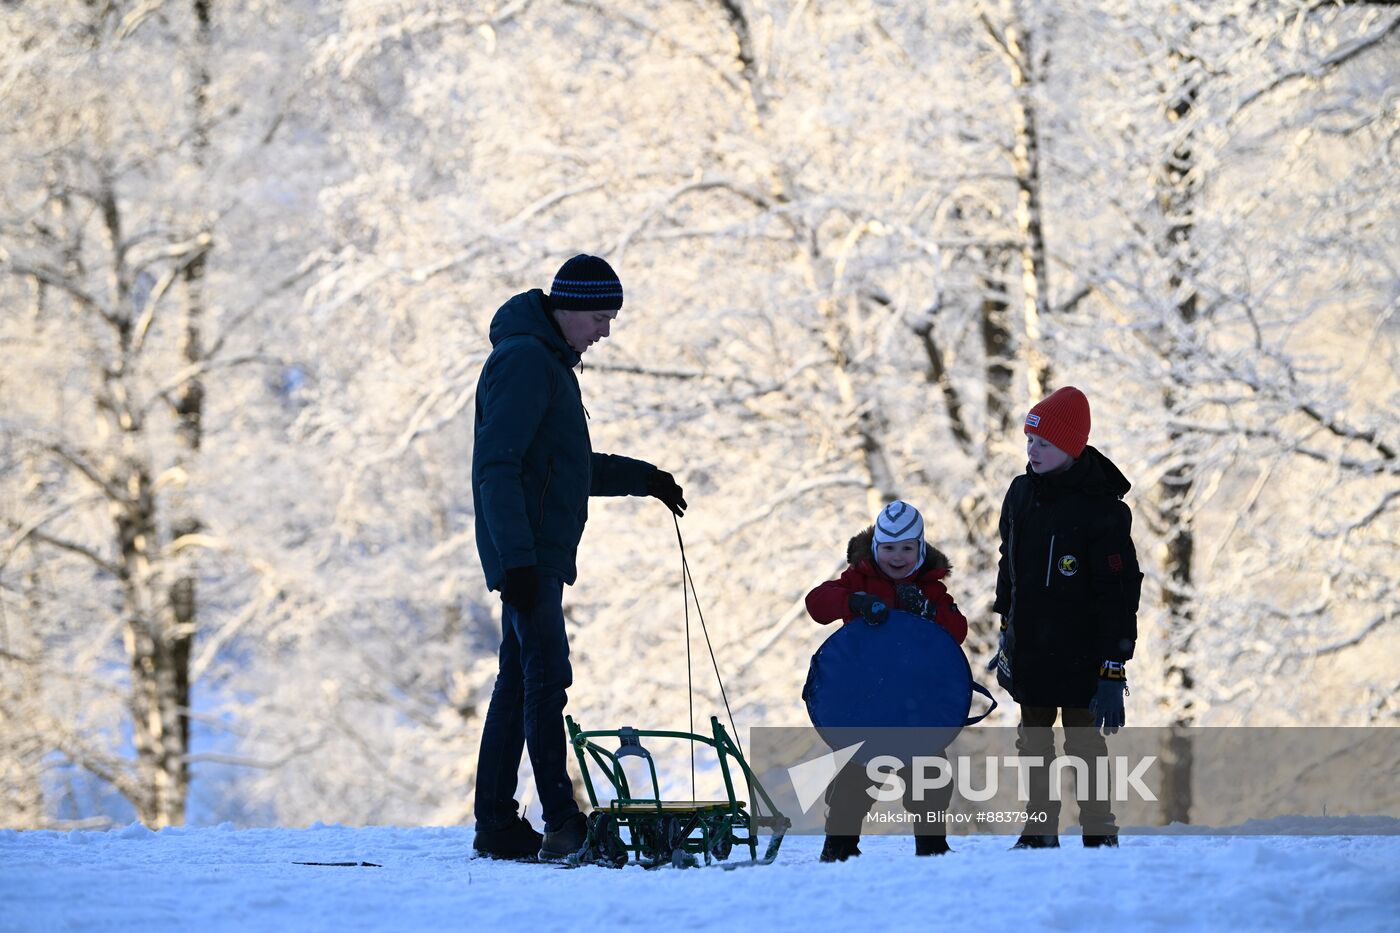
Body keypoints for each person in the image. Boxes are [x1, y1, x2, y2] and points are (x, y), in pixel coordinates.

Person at [470, 254, 687, 862]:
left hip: (535, 552)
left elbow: (561, 472)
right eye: (598, 316)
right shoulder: (524, 361)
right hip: (528, 555)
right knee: (545, 682)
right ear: (565, 309)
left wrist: (645, 478)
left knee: (519, 684)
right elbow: (498, 465)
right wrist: (516, 561)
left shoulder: (549, 363)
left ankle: (497, 823)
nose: (606, 330)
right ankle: (562, 822)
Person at [992, 385, 1142, 849]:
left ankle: (1099, 830)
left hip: (1083, 654)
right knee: (1033, 744)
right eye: (1030, 441)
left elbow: (1119, 592)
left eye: (1045, 443)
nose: (1033, 451)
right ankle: (1038, 830)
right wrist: (1005, 629)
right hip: (1031, 649)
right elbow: (1008, 562)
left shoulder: (1103, 512)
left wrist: (1114, 666)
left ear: (1072, 448)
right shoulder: (1020, 494)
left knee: (1084, 746)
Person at [805, 500, 969, 861]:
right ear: (876, 547)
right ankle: (839, 848)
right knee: (854, 781)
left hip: (918, 708)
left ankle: (932, 848)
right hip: (867, 704)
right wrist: (854, 602)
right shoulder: (858, 579)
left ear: (920, 549)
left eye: (907, 548)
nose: (898, 557)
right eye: (889, 547)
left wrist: (928, 615)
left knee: (930, 779)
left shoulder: (931, 589)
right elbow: (817, 602)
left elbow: (957, 631)